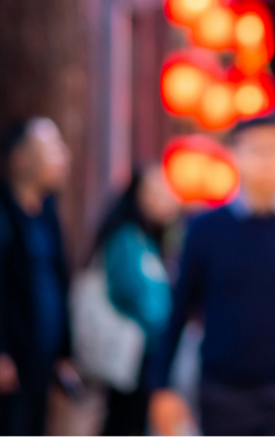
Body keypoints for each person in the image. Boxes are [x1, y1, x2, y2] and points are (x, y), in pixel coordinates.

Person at [152, 110, 275, 436]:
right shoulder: (204, 229)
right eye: (255, 149)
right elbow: (178, 309)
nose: (266, 160)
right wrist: (161, 386)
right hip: (222, 391)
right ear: (234, 155)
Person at [0, 117, 78, 436]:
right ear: (21, 157)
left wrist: (64, 351)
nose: (63, 156)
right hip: (6, 364)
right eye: (53, 148)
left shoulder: (47, 214)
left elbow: (58, 281)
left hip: (40, 360)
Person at [89, 163, 180, 435]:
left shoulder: (148, 239)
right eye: (155, 192)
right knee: (125, 421)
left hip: (144, 350)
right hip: (133, 350)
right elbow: (126, 291)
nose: (164, 198)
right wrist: (161, 324)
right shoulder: (127, 238)